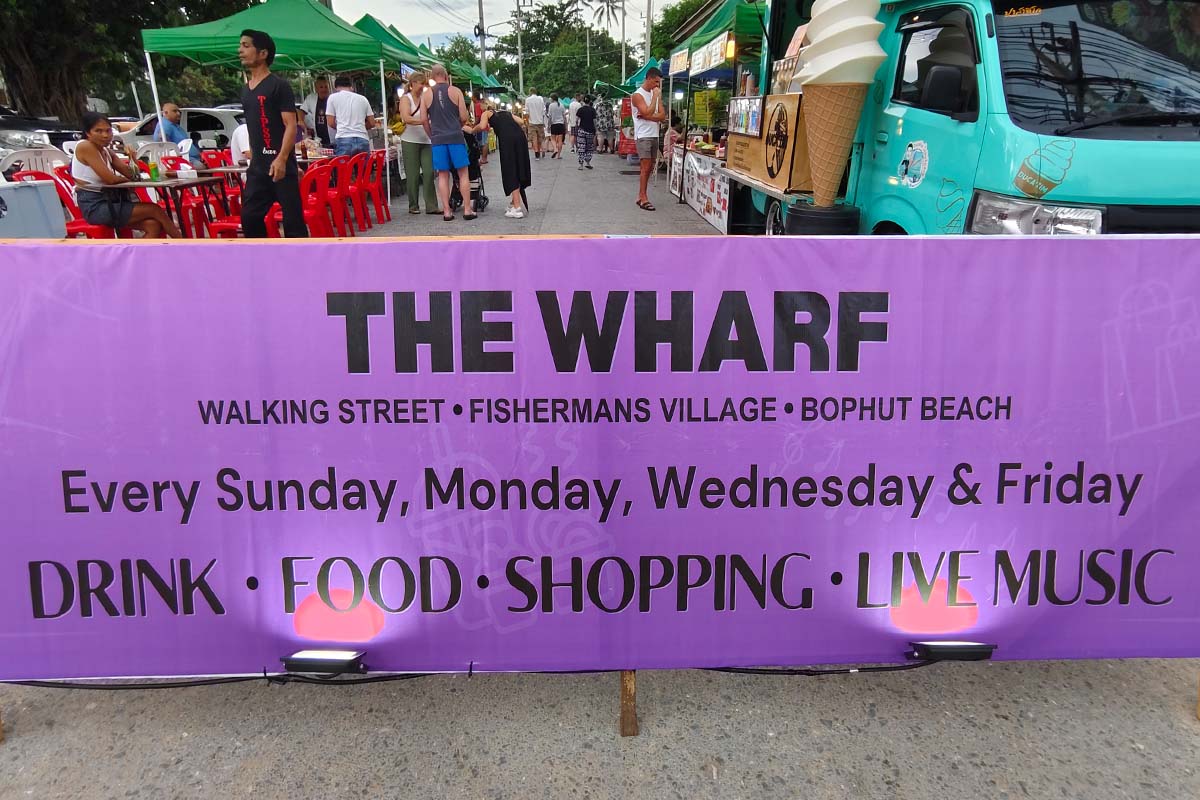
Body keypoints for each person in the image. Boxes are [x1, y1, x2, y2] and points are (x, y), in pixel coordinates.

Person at [238, 29, 307, 238]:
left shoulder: (279, 86)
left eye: (246, 46)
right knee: (249, 218)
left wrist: (282, 159)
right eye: (240, 45)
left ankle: (301, 265)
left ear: (263, 53)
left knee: (293, 223)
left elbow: (291, 125)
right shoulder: (245, 90)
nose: (240, 50)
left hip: (282, 166)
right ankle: (262, 262)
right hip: (258, 168)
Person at [71, 112, 181, 238]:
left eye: (108, 131)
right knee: (155, 209)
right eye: (99, 131)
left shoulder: (107, 151)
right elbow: (110, 179)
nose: (105, 135)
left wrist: (132, 157)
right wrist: (125, 181)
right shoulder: (86, 146)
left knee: (153, 225)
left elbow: (132, 175)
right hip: (95, 206)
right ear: (88, 133)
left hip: (112, 202)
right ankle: (185, 245)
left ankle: (134, 257)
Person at [420, 63, 475, 221]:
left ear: (431, 77)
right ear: (446, 75)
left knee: (443, 176)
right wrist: (456, 126)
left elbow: (424, 119)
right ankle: (467, 209)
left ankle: (446, 211)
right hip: (455, 137)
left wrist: (432, 135)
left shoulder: (426, 94)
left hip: (437, 139)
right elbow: (464, 117)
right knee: (463, 173)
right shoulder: (455, 91)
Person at [469, 103, 531, 219]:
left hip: (507, 140)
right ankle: (514, 203)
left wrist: (473, 130)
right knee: (519, 166)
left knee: (510, 168)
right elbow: (521, 122)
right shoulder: (506, 113)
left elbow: (482, 126)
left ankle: (517, 208)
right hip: (520, 137)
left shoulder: (486, 113)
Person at [398, 71, 439, 216]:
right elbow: (406, 118)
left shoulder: (425, 97)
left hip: (426, 140)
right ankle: (413, 205)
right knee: (413, 174)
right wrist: (424, 121)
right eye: (421, 83)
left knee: (429, 172)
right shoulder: (405, 99)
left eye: (424, 84)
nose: (423, 87)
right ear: (413, 83)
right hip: (410, 140)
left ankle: (431, 205)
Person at [631, 66, 667, 211]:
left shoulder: (655, 93)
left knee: (651, 166)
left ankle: (641, 196)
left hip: (654, 134)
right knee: (645, 167)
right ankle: (643, 196)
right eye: (656, 82)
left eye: (659, 83)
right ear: (649, 78)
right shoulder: (637, 95)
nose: (657, 85)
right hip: (643, 135)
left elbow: (662, 116)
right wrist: (655, 98)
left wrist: (648, 116)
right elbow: (648, 111)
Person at [325, 76, 375, 157]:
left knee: (345, 169)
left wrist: (344, 127)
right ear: (350, 86)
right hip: (362, 139)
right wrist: (359, 127)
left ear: (336, 87)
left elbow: (330, 122)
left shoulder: (332, 98)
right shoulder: (363, 99)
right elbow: (372, 123)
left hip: (343, 139)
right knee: (363, 169)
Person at [300, 77, 332, 148]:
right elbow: (301, 111)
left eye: (326, 87)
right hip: (318, 139)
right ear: (316, 89)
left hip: (333, 138)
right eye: (321, 87)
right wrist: (301, 122)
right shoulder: (311, 98)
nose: (324, 89)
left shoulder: (332, 98)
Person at [524, 88, 546, 159]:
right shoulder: (540, 99)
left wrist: (527, 122)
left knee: (534, 138)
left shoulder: (527, 100)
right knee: (540, 137)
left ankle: (537, 153)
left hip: (532, 122)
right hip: (540, 122)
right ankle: (541, 150)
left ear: (530, 92)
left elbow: (526, 112)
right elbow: (543, 111)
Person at [575, 95, 596, 170]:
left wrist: (577, 127)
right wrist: (595, 130)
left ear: (583, 101)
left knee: (581, 147)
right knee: (589, 147)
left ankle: (581, 165)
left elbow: (576, 120)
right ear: (590, 101)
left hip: (581, 130)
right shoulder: (593, 110)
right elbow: (594, 121)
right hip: (590, 131)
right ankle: (588, 162)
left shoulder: (580, 109)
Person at [547, 93, 566, 158]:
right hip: (561, 124)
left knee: (552, 139)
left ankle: (555, 149)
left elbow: (549, 117)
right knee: (560, 140)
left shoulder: (551, 105)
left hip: (554, 124)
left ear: (552, 98)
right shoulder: (561, 105)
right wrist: (565, 125)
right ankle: (558, 155)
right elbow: (564, 116)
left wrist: (548, 125)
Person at [472, 93, 489, 165]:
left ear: (475, 97)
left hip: (482, 126)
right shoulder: (481, 104)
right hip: (485, 126)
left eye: (472, 97)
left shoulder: (477, 105)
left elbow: (478, 117)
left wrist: (474, 125)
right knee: (484, 142)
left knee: (483, 143)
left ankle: (483, 159)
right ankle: (484, 158)